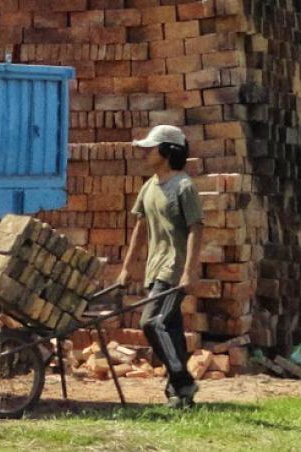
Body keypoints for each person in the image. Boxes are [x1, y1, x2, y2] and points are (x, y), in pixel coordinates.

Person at [117, 125, 203, 409]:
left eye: (151, 148)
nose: (144, 152)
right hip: (155, 269)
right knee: (172, 330)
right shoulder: (149, 186)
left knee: (152, 322)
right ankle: (181, 396)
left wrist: (190, 270)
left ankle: (181, 378)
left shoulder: (183, 186)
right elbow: (139, 230)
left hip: (174, 270)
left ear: (167, 152)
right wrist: (127, 268)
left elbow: (195, 229)